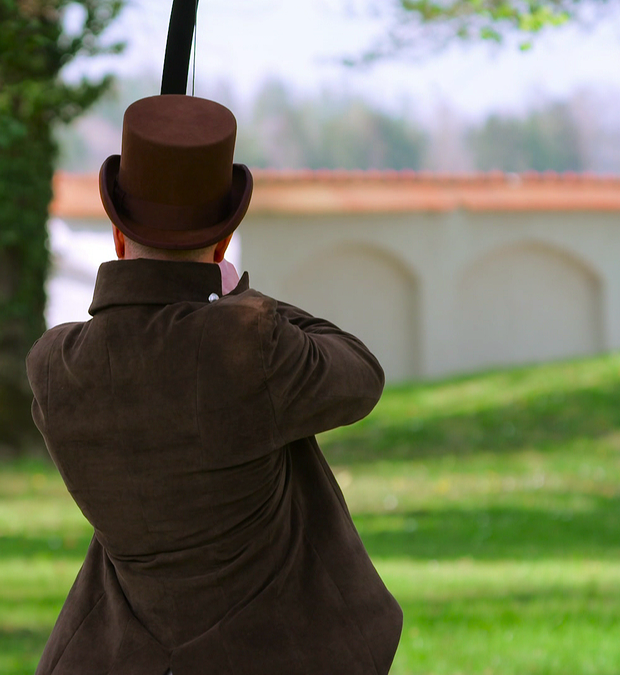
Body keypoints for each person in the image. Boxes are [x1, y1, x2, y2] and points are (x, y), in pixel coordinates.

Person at [25, 94, 403, 675]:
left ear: (118, 238)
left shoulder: (54, 363)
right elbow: (360, 373)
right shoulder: (249, 342)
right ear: (223, 243)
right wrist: (239, 298)